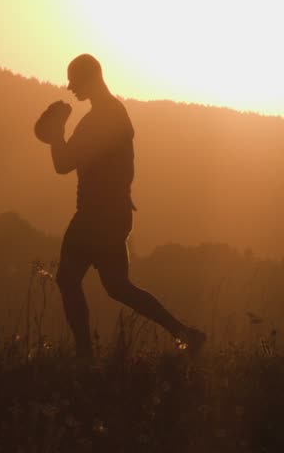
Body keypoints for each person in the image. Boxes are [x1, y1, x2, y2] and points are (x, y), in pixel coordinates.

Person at [35, 54, 205, 357]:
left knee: (68, 279)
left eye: (74, 80)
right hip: (114, 214)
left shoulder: (98, 120)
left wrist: (56, 135)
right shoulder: (113, 113)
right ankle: (185, 333)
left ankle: (85, 356)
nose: (70, 87)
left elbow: (62, 164)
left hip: (96, 215)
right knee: (117, 286)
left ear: (91, 78)